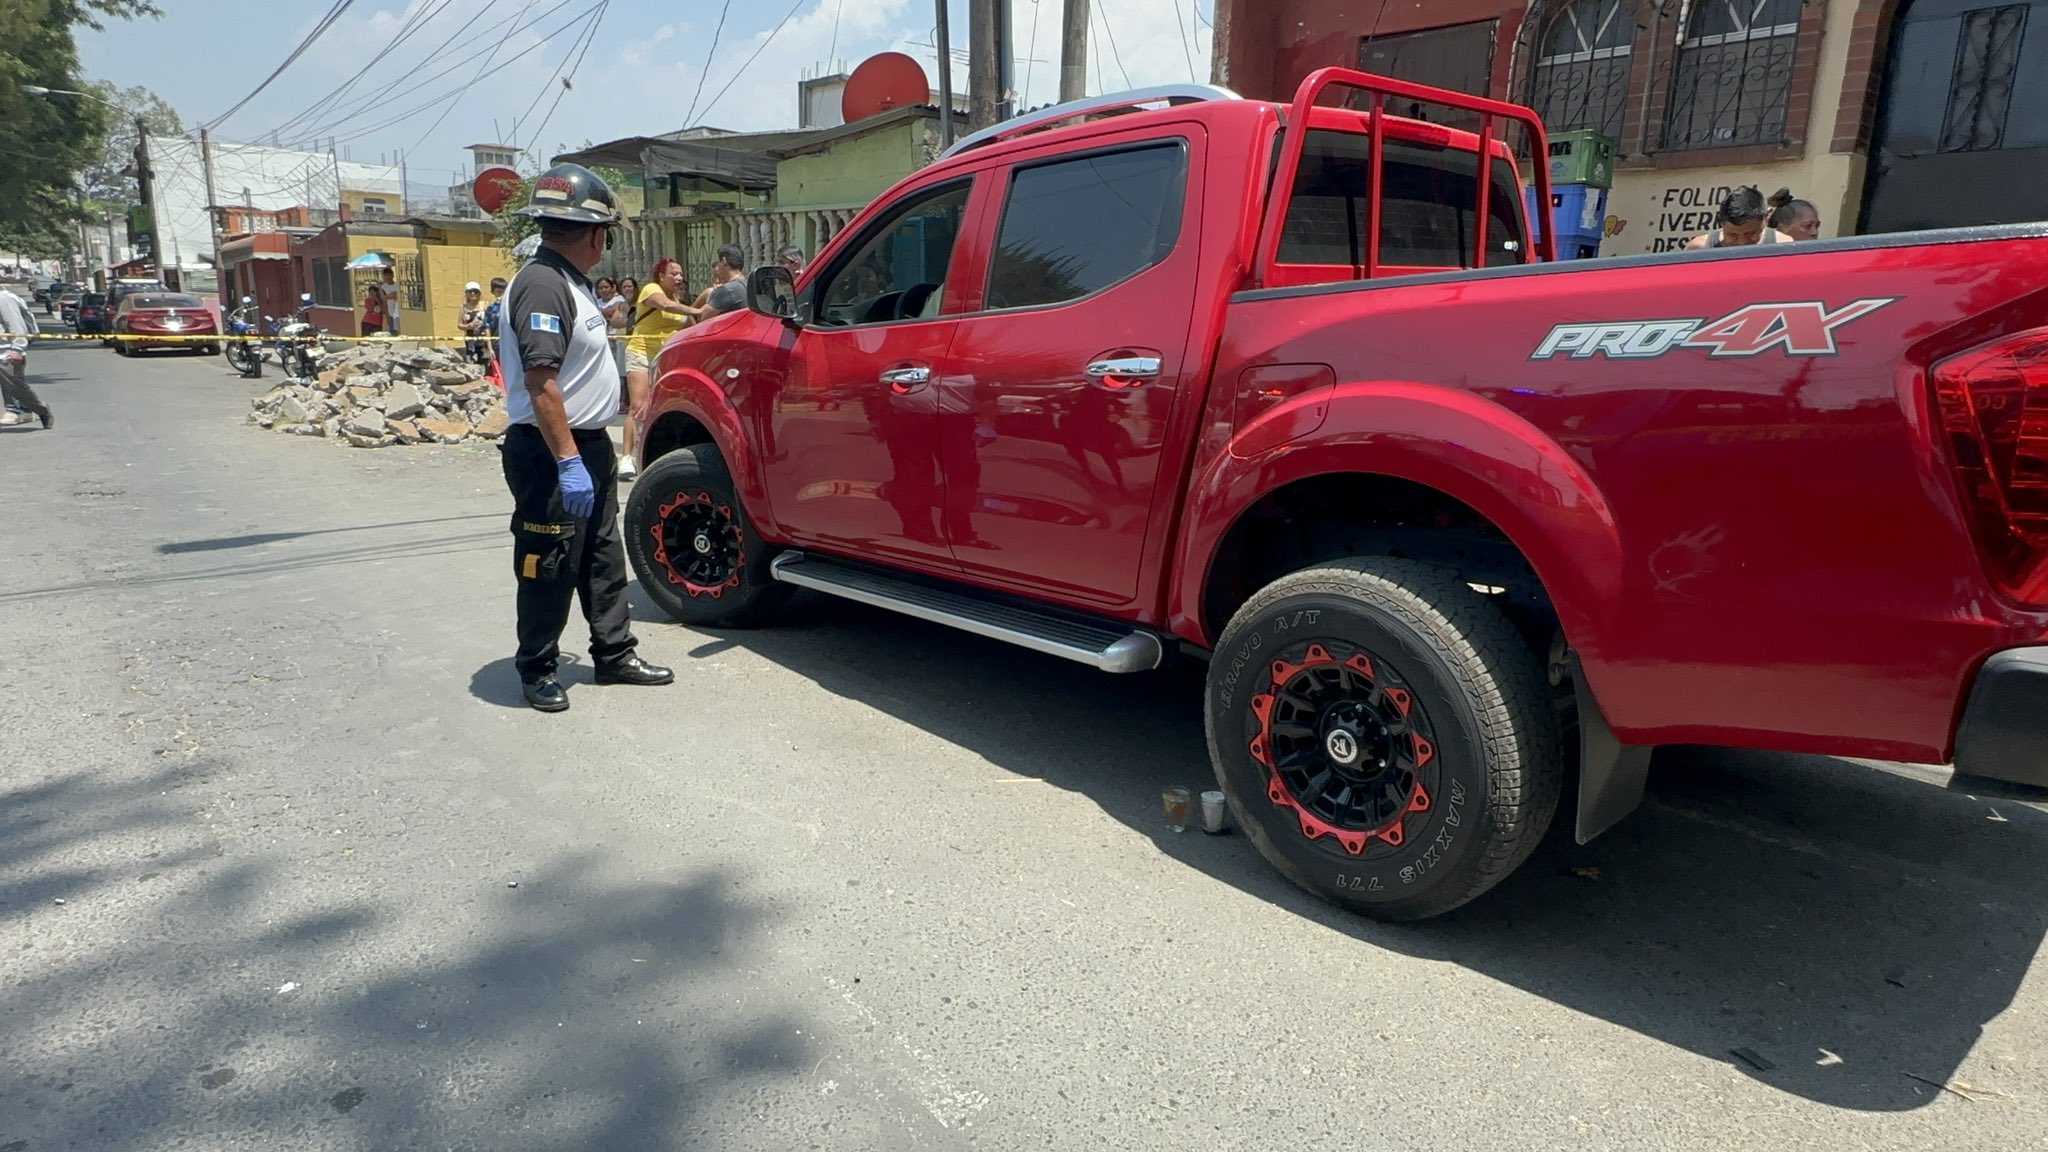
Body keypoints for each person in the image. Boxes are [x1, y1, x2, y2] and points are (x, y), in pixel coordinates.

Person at [497, 162, 672, 712]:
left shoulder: (568, 281)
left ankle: (614, 653)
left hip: (585, 445)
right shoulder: (543, 285)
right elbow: (541, 379)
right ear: (596, 235)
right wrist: (568, 458)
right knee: (549, 557)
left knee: (600, 553)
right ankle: (538, 666)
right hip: (552, 450)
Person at [623, 258, 704, 480]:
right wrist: (697, 308)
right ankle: (626, 458)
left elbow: (693, 328)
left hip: (664, 360)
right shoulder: (651, 290)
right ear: (661, 276)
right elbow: (666, 306)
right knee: (637, 407)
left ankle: (647, 454)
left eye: (680, 274)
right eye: (674, 274)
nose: (679, 278)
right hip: (641, 353)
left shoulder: (678, 299)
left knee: (654, 409)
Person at [0, 286, 51, 429]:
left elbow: (16, 324)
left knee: (16, 387)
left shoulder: (4, 299)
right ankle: (15, 410)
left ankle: (41, 409)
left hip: (6, 351)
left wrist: (17, 348)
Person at [1684, 186, 1794, 249]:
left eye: (1750, 234)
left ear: (1766, 218)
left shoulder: (1783, 246)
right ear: (1721, 223)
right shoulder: (1699, 249)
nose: (1742, 242)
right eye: (1732, 235)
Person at [694, 244, 749, 320]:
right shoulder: (750, 285)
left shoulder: (727, 290)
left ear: (724, 261)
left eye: (719, 262)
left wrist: (711, 297)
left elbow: (704, 318)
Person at [458, 281, 487, 363]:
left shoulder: (485, 305)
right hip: (470, 341)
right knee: (471, 364)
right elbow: (459, 325)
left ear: (479, 293)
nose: (473, 293)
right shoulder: (463, 307)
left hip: (484, 341)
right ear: (466, 293)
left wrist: (483, 323)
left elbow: (491, 322)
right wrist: (469, 326)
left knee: (485, 364)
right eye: (470, 291)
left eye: (476, 291)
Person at [378, 267, 402, 334]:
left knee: (398, 330)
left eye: (389, 275)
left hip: (398, 311)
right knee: (392, 330)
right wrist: (387, 315)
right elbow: (384, 301)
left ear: (392, 275)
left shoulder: (397, 285)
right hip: (390, 312)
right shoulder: (383, 287)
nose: (387, 277)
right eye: (385, 276)